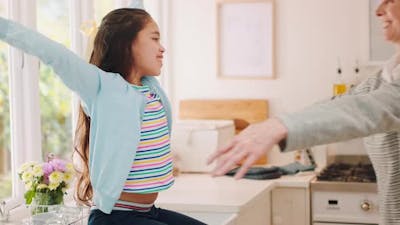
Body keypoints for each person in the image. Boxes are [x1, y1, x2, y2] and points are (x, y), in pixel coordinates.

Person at [0, 2, 206, 225]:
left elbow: (137, 7)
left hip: (148, 212)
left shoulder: (150, 88)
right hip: (116, 218)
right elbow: (52, 52)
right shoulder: (102, 88)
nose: (162, 47)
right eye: (154, 39)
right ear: (127, 44)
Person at [208, 0, 400, 224]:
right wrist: (275, 126)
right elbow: (344, 103)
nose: (378, 10)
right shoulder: (385, 76)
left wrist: (282, 126)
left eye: (391, 0)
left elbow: (375, 107)